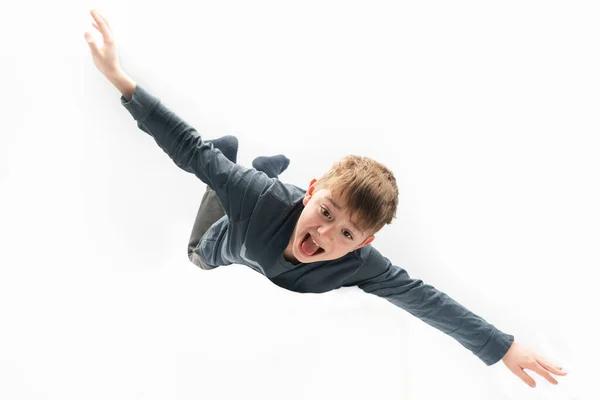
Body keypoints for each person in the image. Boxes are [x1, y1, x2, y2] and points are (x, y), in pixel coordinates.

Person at [84, 9, 567, 388]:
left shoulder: (362, 264)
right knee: (200, 251)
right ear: (312, 192)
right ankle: (243, 169)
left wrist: (503, 347)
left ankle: (255, 165)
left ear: (363, 243)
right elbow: (188, 148)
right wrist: (120, 80)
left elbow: (427, 301)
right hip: (235, 232)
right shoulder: (260, 200)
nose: (324, 233)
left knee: (251, 193)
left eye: (347, 234)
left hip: (270, 212)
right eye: (325, 212)